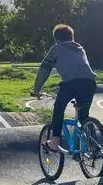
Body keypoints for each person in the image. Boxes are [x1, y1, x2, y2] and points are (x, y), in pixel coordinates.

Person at [31, 24, 97, 152]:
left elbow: (44, 69)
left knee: (59, 108)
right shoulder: (80, 48)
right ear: (71, 37)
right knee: (84, 116)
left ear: (56, 39)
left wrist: (36, 90)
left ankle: (55, 141)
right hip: (90, 83)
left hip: (71, 83)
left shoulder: (56, 48)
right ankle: (93, 146)